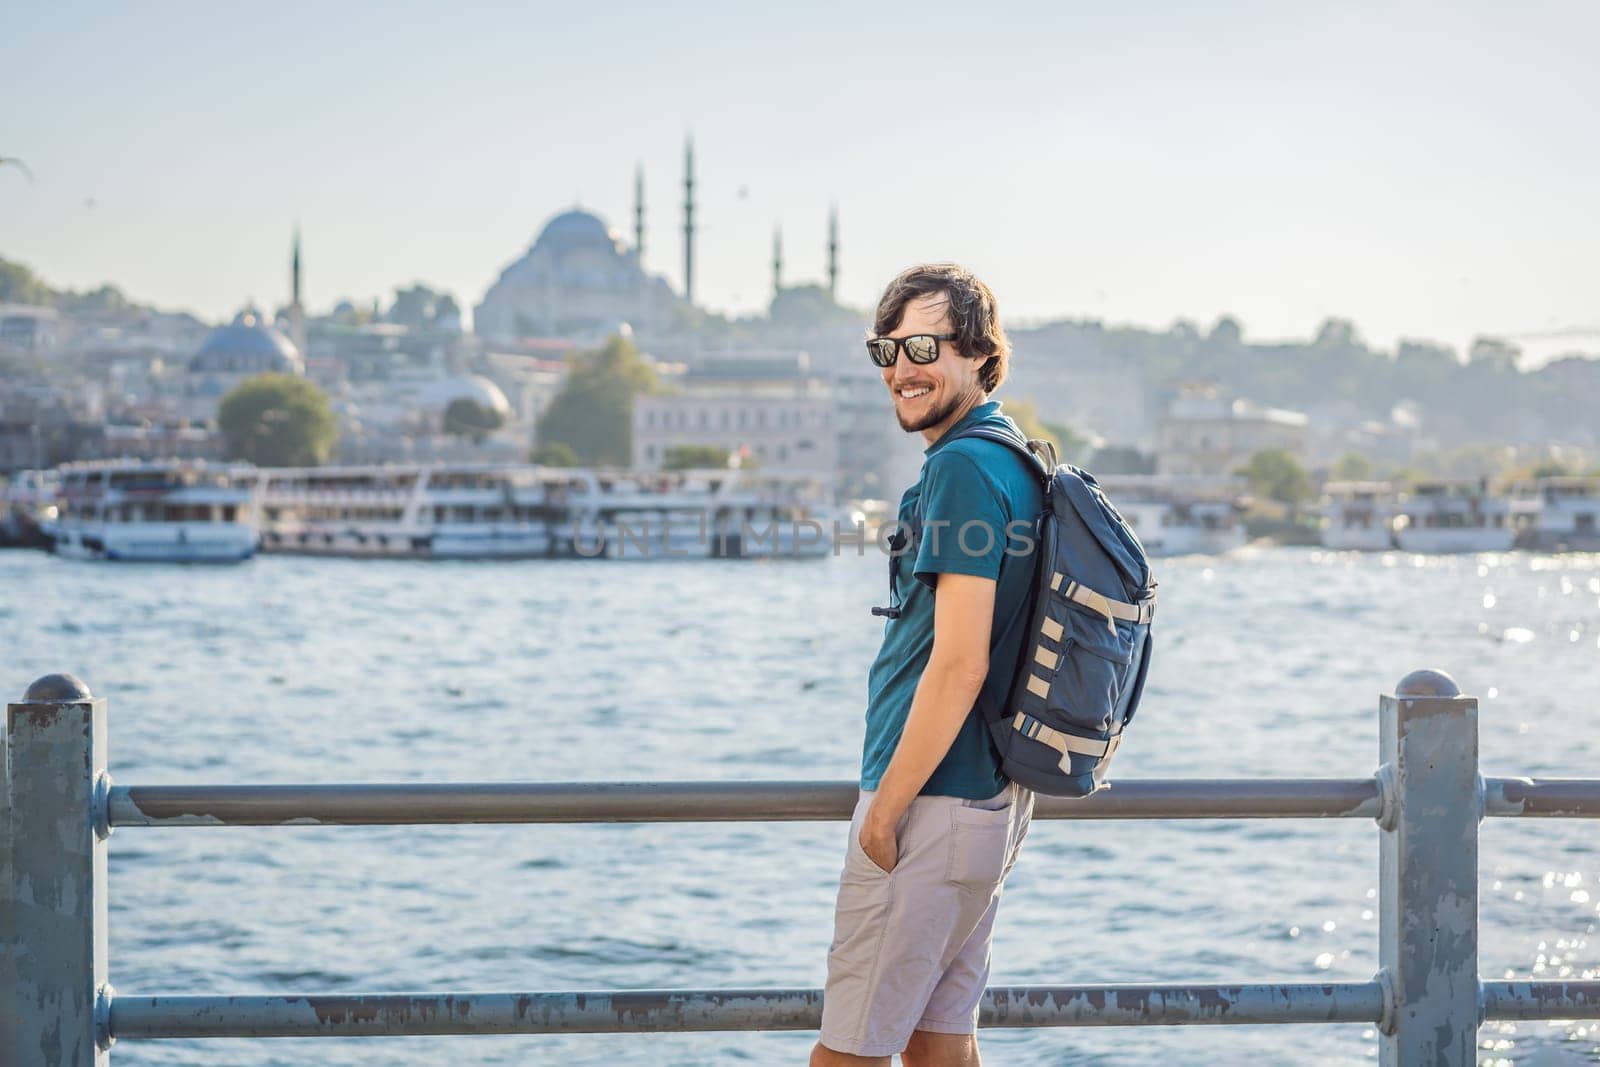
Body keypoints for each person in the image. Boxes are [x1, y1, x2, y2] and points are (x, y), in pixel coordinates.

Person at [812, 263, 1044, 1066]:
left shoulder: (961, 468)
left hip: (931, 807)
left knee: (848, 1054)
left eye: (922, 345)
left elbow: (959, 663)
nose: (900, 368)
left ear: (981, 353)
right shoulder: (1016, 455)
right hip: (986, 801)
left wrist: (884, 815)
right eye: (887, 348)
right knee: (938, 1045)